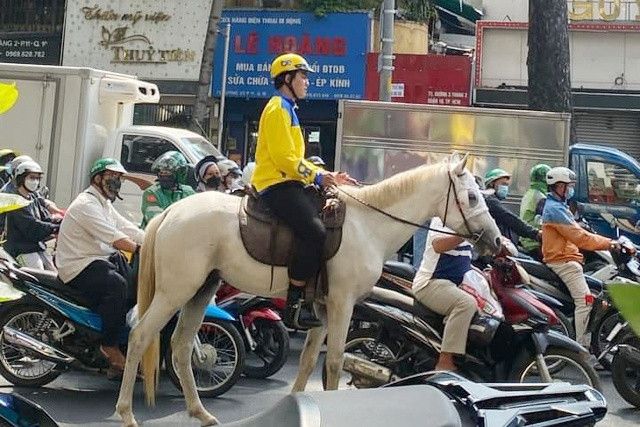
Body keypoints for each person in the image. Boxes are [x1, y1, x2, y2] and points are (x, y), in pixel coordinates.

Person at [252, 52, 356, 329]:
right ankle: (295, 303)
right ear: (287, 78)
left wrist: (330, 175)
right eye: (303, 76)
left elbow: (295, 157)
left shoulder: (287, 108)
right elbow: (284, 158)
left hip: (289, 181)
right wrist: (319, 177)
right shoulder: (277, 109)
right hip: (275, 184)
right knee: (315, 232)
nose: (307, 82)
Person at [56, 158, 145, 375]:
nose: (117, 181)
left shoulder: (103, 203)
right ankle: (109, 345)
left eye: (119, 178)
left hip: (98, 259)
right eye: (112, 177)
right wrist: (141, 249)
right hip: (78, 265)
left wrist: (154, 240)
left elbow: (126, 227)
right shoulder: (86, 205)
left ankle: (119, 333)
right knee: (117, 285)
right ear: (98, 178)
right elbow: (114, 237)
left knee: (135, 283)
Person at [542, 166, 618, 347]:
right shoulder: (555, 209)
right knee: (585, 301)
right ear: (560, 187)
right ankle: (580, 347)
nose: (571, 189)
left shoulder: (559, 206)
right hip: (564, 262)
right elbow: (580, 238)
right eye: (569, 186)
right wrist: (610, 243)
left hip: (567, 259)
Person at [412, 216, 477, 371]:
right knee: (466, 303)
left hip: (457, 284)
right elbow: (438, 245)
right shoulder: (442, 220)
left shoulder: (470, 223)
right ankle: (444, 361)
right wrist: (463, 235)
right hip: (431, 283)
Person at [5, 160, 59, 270]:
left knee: (53, 273)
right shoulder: (16, 202)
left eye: (37, 178)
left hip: (37, 246)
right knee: (38, 274)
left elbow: (45, 218)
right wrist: (55, 228)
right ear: (21, 178)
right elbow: (32, 226)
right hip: (22, 249)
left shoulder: (33, 198)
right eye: (31, 177)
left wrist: (60, 221)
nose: (35, 181)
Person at [483, 168, 540, 247]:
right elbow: (510, 218)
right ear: (492, 184)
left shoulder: (493, 200)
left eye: (507, 185)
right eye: (503, 184)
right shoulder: (490, 201)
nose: (505, 188)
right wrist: (535, 233)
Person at [141, 151, 195, 229]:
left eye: (168, 172)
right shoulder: (151, 193)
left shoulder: (189, 192)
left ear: (180, 173)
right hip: (155, 237)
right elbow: (154, 219)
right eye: (162, 172)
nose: (164, 175)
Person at [520, 164, 551, 259]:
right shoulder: (541, 197)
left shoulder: (531, 193)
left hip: (525, 240)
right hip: (534, 243)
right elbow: (544, 223)